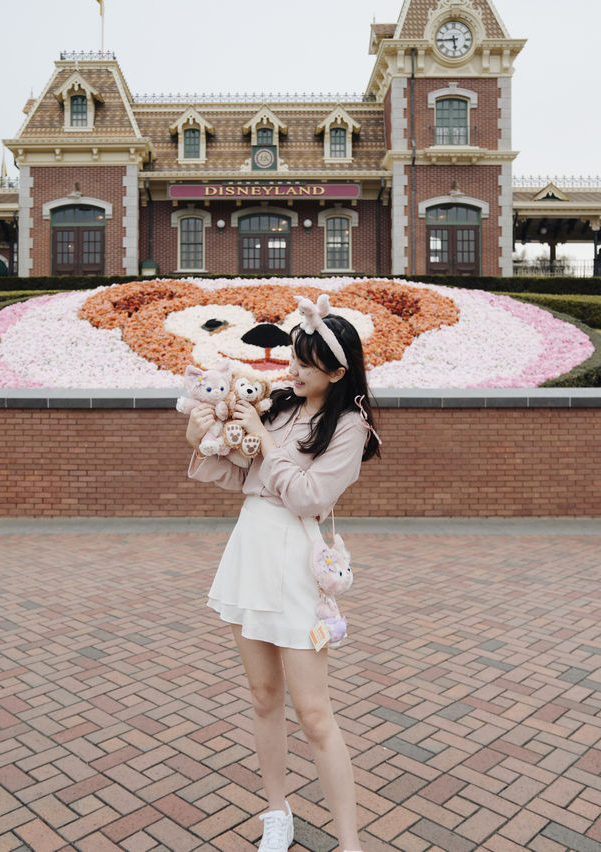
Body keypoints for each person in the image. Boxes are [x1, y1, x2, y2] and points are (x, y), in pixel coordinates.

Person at [184, 294, 380, 852]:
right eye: (293, 356)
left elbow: (310, 497)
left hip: (296, 562)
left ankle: (349, 842)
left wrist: (267, 444)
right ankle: (277, 812)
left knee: (315, 714)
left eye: (305, 361)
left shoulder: (348, 426)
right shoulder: (282, 406)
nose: (290, 369)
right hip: (251, 549)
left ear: (337, 372)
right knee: (263, 696)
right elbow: (235, 475)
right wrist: (200, 437)